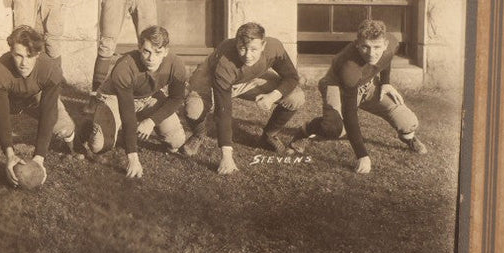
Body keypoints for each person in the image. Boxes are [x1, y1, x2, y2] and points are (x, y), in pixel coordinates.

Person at [291, 18, 427, 174]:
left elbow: (386, 59)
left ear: (385, 44)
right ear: (357, 44)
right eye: (365, 47)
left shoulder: (391, 43)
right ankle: (306, 129)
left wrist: (386, 82)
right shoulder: (349, 66)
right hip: (338, 86)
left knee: (408, 122)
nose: (371, 53)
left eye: (377, 47)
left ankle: (407, 138)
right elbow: (350, 113)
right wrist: (362, 155)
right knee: (335, 129)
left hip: (367, 84)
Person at [0, 25, 75, 186]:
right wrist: (10, 155)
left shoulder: (50, 70)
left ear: (38, 54)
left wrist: (39, 157)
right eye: (18, 55)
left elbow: (49, 112)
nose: (23, 63)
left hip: (35, 98)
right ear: (11, 51)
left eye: (30, 56)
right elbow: (1, 117)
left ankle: (72, 146)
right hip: (6, 98)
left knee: (65, 128)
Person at [184, 22, 305, 175]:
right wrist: (226, 157)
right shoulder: (225, 62)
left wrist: (272, 96)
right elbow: (224, 110)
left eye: (253, 49)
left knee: (296, 97)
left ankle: (269, 135)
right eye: (242, 48)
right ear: (236, 44)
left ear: (263, 45)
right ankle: (198, 134)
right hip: (209, 79)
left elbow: (291, 77)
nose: (248, 55)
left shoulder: (274, 47)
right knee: (193, 109)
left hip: (248, 79)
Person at [84, 25, 189, 179]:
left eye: (158, 52)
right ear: (139, 47)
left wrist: (151, 121)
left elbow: (176, 98)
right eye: (146, 51)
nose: (151, 58)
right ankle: (88, 126)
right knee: (99, 146)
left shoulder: (176, 64)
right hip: (115, 97)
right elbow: (127, 111)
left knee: (176, 141)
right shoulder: (125, 66)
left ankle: (119, 131)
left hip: (148, 97)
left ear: (166, 51)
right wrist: (133, 158)